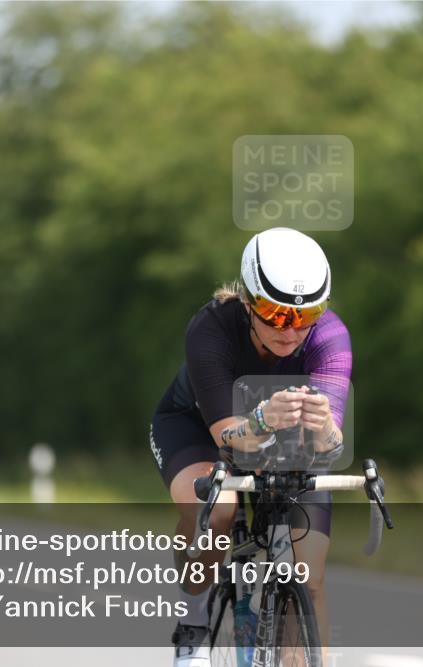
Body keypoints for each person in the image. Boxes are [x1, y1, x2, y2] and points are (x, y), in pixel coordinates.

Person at [150, 227, 351, 666]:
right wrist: (262, 419)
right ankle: (194, 621)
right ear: (248, 302)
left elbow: (332, 443)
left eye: (306, 315)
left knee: (310, 576)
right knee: (217, 509)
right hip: (199, 429)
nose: (291, 331)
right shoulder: (211, 327)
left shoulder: (330, 337)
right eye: (277, 315)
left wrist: (324, 430)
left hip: (287, 443)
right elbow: (227, 437)